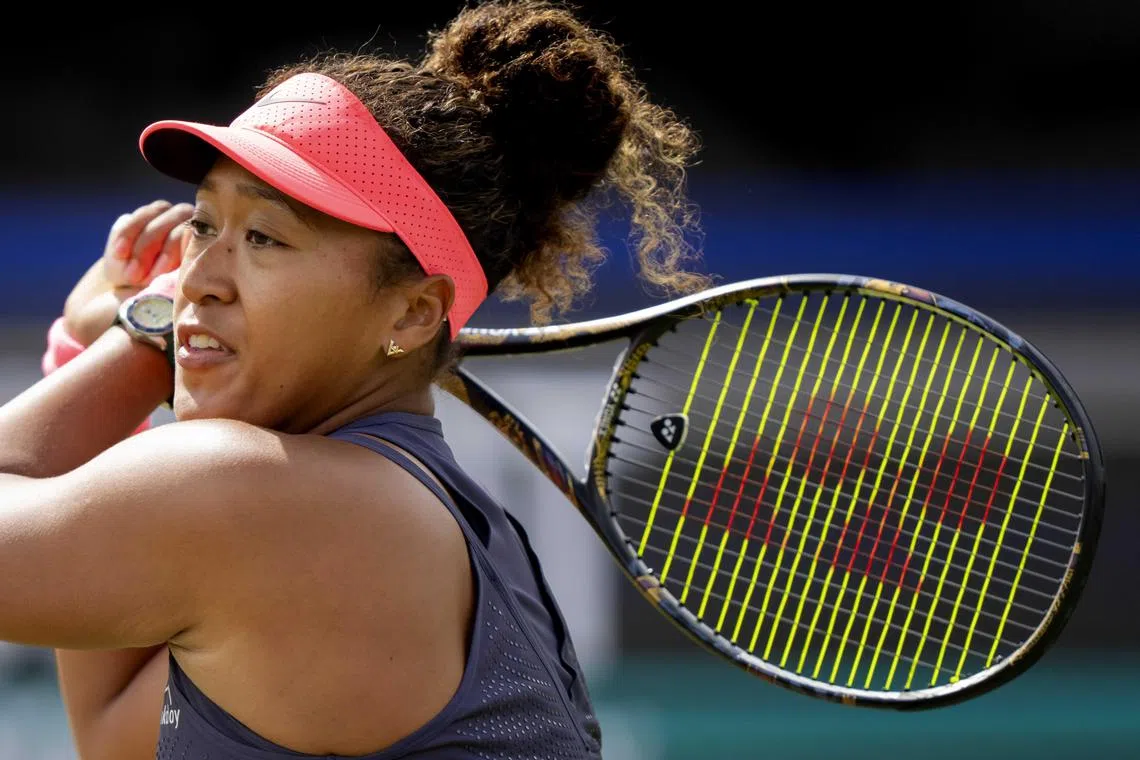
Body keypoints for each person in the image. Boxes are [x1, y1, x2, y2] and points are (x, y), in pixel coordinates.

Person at [1, 1, 707, 758]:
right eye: (203, 225)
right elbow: (115, 734)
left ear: (411, 314)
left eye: (264, 237)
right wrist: (104, 347)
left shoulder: (264, 496)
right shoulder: (391, 519)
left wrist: (138, 338)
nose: (197, 278)